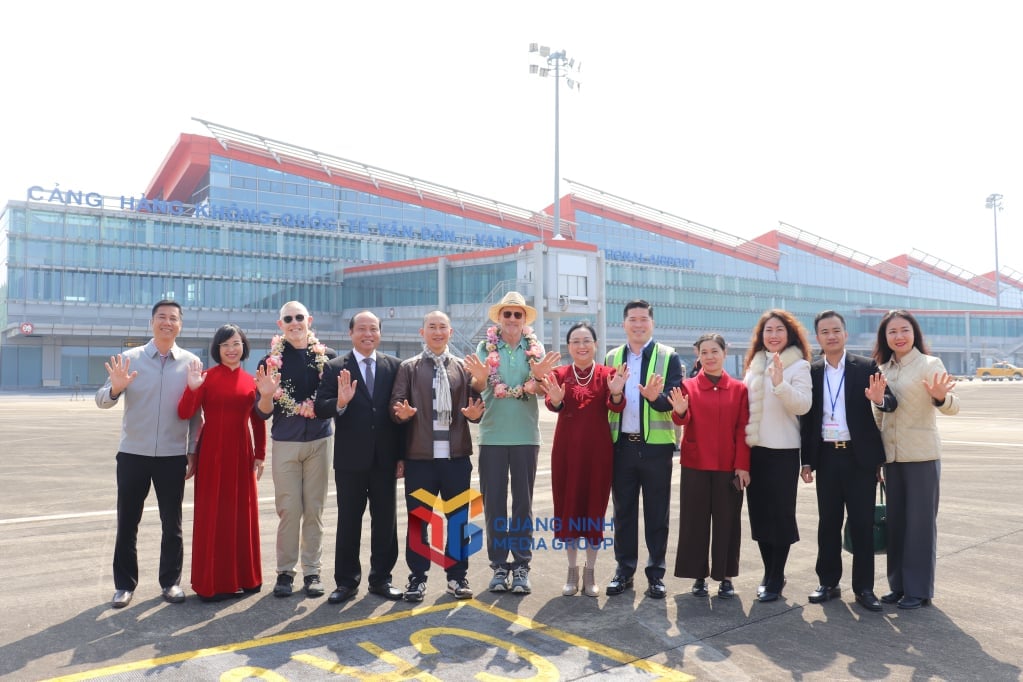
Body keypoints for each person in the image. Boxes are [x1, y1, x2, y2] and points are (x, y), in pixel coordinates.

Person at [96, 300, 200, 608]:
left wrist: (192, 450)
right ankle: (124, 586)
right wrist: (115, 389)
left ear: (180, 325)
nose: (167, 322)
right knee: (128, 521)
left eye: (173, 318)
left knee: (173, 523)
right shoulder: (130, 359)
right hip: (133, 454)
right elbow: (102, 401)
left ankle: (170, 583)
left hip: (172, 456)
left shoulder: (191, 363)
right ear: (152, 322)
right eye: (162, 317)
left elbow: (196, 415)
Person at [464, 291, 561, 595]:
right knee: (494, 505)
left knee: (522, 505)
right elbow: (478, 385)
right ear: (499, 318)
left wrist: (541, 379)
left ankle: (520, 566)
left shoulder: (535, 348)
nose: (512, 320)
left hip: (525, 436)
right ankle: (497, 566)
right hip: (492, 435)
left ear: (524, 320)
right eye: (507, 314)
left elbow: (543, 389)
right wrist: (479, 379)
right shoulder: (484, 347)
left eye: (518, 315)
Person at [799, 311, 896, 612]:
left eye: (836, 330)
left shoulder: (866, 366)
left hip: (859, 458)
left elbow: (891, 402)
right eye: (825, 331)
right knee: (828, 523)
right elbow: (806, 419)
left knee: (862, 524)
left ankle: (864, 588)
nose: (831, 336)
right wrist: (806, 462)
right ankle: (828, 582)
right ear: (818, 337)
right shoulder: (812, 371)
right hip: (827, 457)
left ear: (845, 334)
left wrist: (878, 399)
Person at [390, 311, 485, 602]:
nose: (437, 332)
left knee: (457, 521)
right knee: (419, 522)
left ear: (451, 333)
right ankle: (417, 579)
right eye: (432, 327)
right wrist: (400, 413)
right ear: (423, 333)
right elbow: (396, 402)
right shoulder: (409, 367)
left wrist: (474, 412)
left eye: (442, 327)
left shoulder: (461, 368)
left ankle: (457, 578)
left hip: (456, 459)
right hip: (420, 458)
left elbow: (476, 406)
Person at [314, 311, 405, 604]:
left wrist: (401, 456)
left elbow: (399, 412)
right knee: (349, 521)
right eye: (362, 329)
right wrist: (340, 402)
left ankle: (381, 579)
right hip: (350, 460)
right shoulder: (335, 367)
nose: (368, 334)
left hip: (385, 459)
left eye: (373, 329)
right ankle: (346, 582)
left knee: (385, 522)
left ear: (380, 333)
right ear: (351, 333)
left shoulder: (395, 367)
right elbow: (320, 406)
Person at [872, 309, 958, 610]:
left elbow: (952, 406)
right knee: (896, 525)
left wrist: (939, 397)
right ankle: (898, 585)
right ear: (885, 337)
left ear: (914, 333)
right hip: (892, 459)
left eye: (904, 330)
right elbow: (879, 417)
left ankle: (919, 590)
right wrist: (878, 460)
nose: (898, 336)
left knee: (919, 526)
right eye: (892, 331)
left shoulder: (929, 364)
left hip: (922, 457)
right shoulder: (883, 368)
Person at [178, 324, 267, 601]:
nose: (231, 349)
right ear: (217, 349)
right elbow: (184, 412)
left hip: (242, 452)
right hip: (212, 452)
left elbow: (259, 421)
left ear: (244, 347)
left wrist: (260, 453)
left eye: (236, 343)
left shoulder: (252, 380)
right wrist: (192, 389)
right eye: (225, 344)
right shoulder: (204, 377)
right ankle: (213, 582)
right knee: (213, 515)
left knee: (243, 513)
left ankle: (246, 577)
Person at [255, 301, 336, 599]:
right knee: (289, 510)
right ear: (280, 325)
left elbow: (335, 404)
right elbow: (263, 412)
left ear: (309, 320)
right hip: (286, 441)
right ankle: (285, 572)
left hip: (319, 441)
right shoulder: (270, 361)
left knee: (314, 510)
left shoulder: (328, 358)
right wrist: (265, 395)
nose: (294, 322)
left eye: (299, 317)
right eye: (288, 319)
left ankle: (312, 571)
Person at [603, 300, 684, 599]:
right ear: (624, 324)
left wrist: (654, 397)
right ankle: (624, 571)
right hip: (622, 446)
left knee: (656, 513)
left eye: (643, 319)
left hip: (656, 449)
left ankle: (656, 573)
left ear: (652, 323)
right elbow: (608, 403)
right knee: (623, 512)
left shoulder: (668, 356)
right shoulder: (612, 357)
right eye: (632, 320)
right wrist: (613, 395)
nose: (638, 325)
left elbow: (675, 399)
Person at [541, 321, 628, 597]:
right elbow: (552, 404)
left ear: (596, 344)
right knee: (568, 507)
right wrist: (555, 400)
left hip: (598, 453)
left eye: (587, 340)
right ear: (569, 347)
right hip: (566, 452)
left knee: (594, 508)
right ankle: (571, 570)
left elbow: (617, 406)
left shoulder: (607, 374)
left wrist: (615, 391)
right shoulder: (560, 373)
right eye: (576, 341)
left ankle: (590, 572)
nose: (582, 346)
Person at [667, 333, 750, 599]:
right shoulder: (687, 386)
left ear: (725, 353)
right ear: (698, 355)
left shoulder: (739, 389)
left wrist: (742, 466)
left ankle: (725, 577)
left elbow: (742, 429)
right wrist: (679, 411)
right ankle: (698, 576)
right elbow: (682, 420)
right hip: (695, 464)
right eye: (704, 352)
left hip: (729, 467)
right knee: (695, 523)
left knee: (728, 523)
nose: (710, 357)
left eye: (715, 351)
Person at [742, 309, 812, 603]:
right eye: (768, 330)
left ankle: (775, 576)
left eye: (779, 330)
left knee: (780, 517)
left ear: (790, 334)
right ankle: (770, 571)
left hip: (783, 452)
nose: (773, 336)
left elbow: (803, 406)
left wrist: (780, 383)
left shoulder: (800, 366)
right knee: (759, 516)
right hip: (755, 451)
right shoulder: (754, 366)